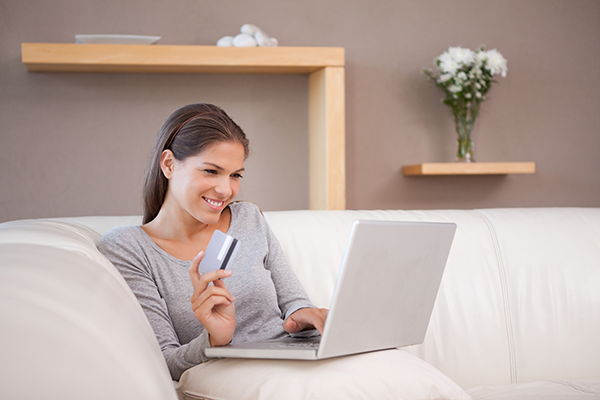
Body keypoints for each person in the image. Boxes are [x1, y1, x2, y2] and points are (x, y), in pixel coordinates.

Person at [99, 103, 328, 381]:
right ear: (169, 164)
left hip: (297, 362)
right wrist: (214, 338)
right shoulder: (130, 247)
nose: (226, 189)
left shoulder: (248, 218)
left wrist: (305, 316)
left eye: (235, 175)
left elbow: (294, 302)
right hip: (235, 379)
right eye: (211, 171)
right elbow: (166, 362)